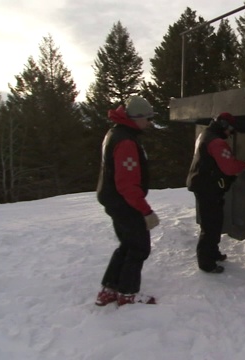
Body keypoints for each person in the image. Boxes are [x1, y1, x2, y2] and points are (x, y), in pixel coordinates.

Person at [94, 95, 160, 306]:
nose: (149, 123)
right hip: (125, 202)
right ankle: (127, 292)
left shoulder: (115, 132)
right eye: (147, 119)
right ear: (137, 117)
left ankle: (109, 288)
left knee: (127, 244)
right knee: (139, 248)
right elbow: (127, 184)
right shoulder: (125, 141)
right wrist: (145, 211)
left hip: (114, 200)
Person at [186, 112, 245, 274]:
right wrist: (244, 164)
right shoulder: (216, 142)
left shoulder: (205, 134)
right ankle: (206, 262)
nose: (229, 135)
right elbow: (229, 167)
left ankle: (213, 252)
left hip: (205, 185)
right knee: (210, 225)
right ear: (224, 126)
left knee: (214, 221)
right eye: (230, 130)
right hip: (207, 187)